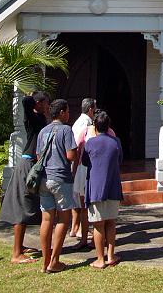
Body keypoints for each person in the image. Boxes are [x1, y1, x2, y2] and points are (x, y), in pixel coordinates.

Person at [0, 91, 50, 264]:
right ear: (39, 103)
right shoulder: (32, 118)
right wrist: (30, 97)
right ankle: (16, 253)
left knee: (29, 205)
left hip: (34, 165)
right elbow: (25, 103)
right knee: (22, 206)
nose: (48, 106)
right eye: (45, 103)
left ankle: (20, 247)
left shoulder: (42, 119)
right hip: (26, 165)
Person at [36, 98, 77, 273]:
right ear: (61, 112)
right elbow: (70, 155)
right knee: (63, 219)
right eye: (67, 111)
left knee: (46, 220)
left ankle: (45, 262)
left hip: (44, 179)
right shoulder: (66, 130)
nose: (68, 114)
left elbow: (39, 157)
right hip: (61, 178)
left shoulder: (43, 131)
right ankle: (54, 260)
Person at [82, 110, 123, 269]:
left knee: (98, 225)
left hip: (96, 189)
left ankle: (100, 258)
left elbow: (85, 161)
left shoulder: (90, 143)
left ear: (95, 126)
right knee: (111, 222)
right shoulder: (116, 142)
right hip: (113, 186)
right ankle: (111, 255)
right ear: (108, 126)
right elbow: (120, 160)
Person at [70, 97, 96, 248]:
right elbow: (83, 146)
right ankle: (80, 230)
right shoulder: (86, 124)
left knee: (79, 198)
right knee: (84, 200)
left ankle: (76, 228)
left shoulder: (79, 121)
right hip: (83, 165)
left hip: (78, 165)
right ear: (91, 109)